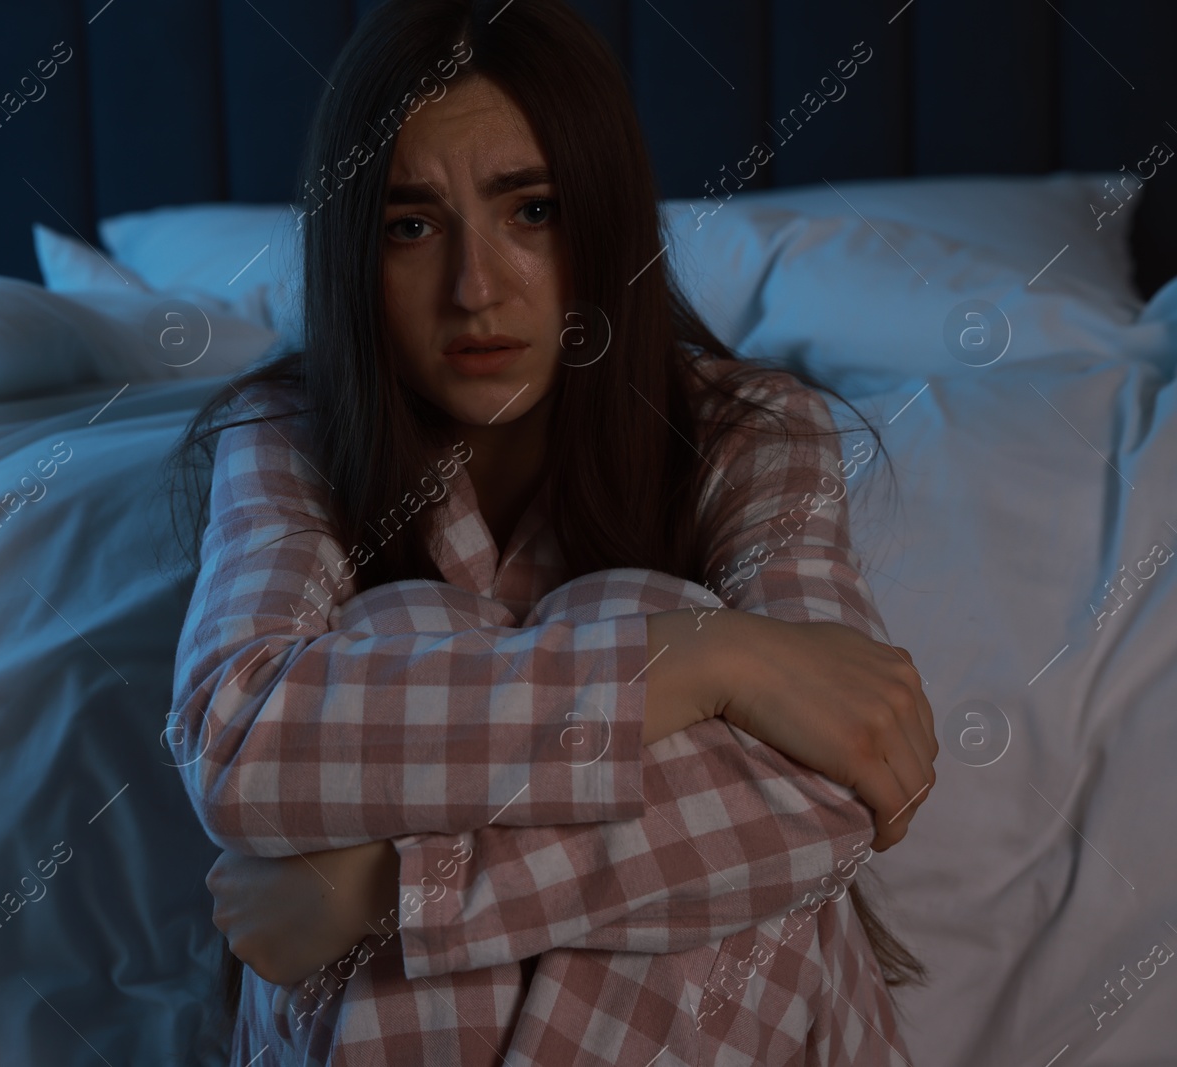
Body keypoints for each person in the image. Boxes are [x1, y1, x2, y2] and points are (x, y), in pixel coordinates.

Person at [163, 1, 936, 1062]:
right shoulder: (292, 437)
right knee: (425, 620)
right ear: (352, 252)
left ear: (604, 220)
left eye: (531, 211)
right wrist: (696, 663)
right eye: (410, 224)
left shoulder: (751, 434)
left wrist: (394, 887)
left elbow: (832, 787)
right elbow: (239, 738)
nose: (476, 289)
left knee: (632, 611)